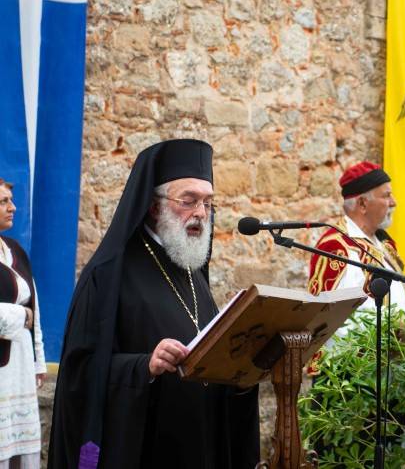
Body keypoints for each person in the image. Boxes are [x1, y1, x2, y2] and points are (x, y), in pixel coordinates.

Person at [48, 139, 260, 469]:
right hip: (145, 452)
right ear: (153, 205)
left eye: (207, 202)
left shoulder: (193, 275)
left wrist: (242, 374)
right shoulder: (107, 276)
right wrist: (144, 366)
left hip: (199, 446)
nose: (201, 214)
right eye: (188, 201)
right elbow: (80, 375)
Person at [308, 161, 405, 313]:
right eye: (387, 196)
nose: (393, 202)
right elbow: (339, 315)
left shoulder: (383, 242)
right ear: (362, 204)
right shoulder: (336, 247)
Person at [0, 179, 46, 469]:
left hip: (21, 366)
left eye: (10, 200)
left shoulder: (15, 249)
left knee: (19, 448)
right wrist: (21, 317)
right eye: (3, 201)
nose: (12, 207)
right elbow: (25, 314)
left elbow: (35, 309)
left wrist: (39, 360)